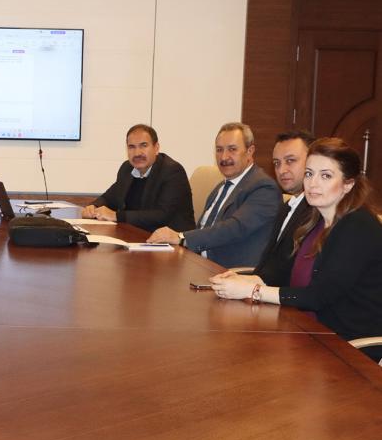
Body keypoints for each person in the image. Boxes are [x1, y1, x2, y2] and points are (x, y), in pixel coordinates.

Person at [208, 138, 382, 361]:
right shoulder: (314, 219)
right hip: (304, 329)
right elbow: (284, 273)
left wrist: (252, 291)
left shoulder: (358, 226)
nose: (313, 183)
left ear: (348, 184)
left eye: (326, 176)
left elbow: (318, 296)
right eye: (309, 174)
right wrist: (245, 280)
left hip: (346, 347)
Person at [147, 122, 282, 268]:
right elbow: (203, 229)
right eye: (219, 150)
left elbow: (234, 228)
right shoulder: (221, 187)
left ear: (250, 151)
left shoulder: (264, 188)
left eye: (232, 149)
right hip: (198, 263)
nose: (224, 157)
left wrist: (181, 237)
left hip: (229, 271)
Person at [81, 124, 194, 231]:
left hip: (170, 240)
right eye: (132, 147)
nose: (137, 153)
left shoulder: (172, 171)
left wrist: (116, 216)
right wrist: (94, 206)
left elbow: (161, 215)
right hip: (136, 234)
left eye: (143, 146)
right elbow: (110, 197)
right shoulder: (127, 168)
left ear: (156, 148)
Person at [250, 130, 315, 284]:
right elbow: (268, 263)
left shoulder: (316, 211)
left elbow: (291, 272)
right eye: (276, 163)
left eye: (290, 160)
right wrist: (244, 281)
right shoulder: (286, 206)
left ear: (313, 162)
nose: (281, 170)